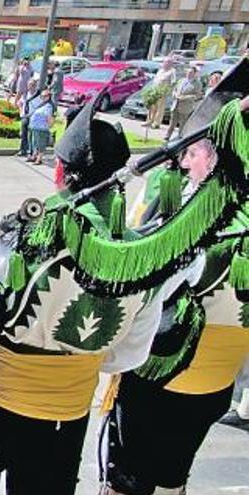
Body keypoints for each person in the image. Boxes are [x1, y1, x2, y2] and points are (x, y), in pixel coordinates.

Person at [0, 101, 201, 495]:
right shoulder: (144, 260)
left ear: (60, 172)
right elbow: (129, 354)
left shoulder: (23, 238)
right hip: (66, 417)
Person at [99, 72, 249, 495]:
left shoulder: (200, 227)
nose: (185, 163)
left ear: (214, 157)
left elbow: (137, 285)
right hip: (216, 386)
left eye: (194, 153)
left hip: (164, 379)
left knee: (129, 478)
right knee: (173, 476)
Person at [166, 66, 203, 140]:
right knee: (172, 122)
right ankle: (167, 135)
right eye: (188, 72)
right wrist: (175, 94)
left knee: (183, 123)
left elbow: (197, 95)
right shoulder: (181, 80)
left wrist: (185, 97)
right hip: (176, 104)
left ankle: (180, 137)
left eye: (191, 73)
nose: (189, 74)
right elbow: (175, 90)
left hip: (186, 106)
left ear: (195, 73)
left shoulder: (197, 84)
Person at [144, 57, 178, 129]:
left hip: (162, 92)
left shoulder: (172, 71)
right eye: (164, 62)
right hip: (154, 91)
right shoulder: (160, 70)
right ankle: (149, 121)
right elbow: (155, 80)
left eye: (167, 62)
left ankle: (156, 123)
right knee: (152, 107)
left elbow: (173, 83)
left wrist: (167, 90)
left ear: (171, 63)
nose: (165, 64)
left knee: (160, 108)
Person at [27, 89, 55, 165]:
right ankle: (34, 157)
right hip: (35, 127)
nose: (42, 97)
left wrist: (49, 126)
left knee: (40, 144)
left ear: (49, 96)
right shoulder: (42, 104)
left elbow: (49, 117)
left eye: (44, 96)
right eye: (41, 96)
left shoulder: (49, 106)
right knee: (35, 143)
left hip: (41, 128)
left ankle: (39, 159)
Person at [16, 78, 39, 157]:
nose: (31, 87)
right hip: (25, 116)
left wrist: (32, 114)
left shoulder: (38, 96)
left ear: (36, 86)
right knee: (23, 134)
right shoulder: (25, 94)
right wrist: (21, 110)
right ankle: (23, 150)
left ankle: (31, 152)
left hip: (33, 117)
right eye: (30, 85)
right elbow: (20, 103)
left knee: (32, 135)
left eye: (33, 85)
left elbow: (38, 107)